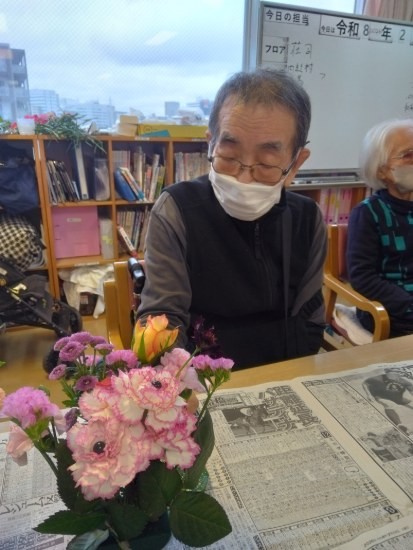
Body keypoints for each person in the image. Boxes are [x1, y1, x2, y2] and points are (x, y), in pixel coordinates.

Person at [137, 68, 327, 370]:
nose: (244, 176)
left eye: (266, 163)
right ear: (210, 144)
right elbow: (162, 318)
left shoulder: (307, 219)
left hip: (281, 372)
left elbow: (310, 318)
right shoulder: (176, 209)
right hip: (200, 375)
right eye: (228, 156)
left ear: (295, 163)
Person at [347, 119, 413, 337]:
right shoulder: (368, 213)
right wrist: (408, 305)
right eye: (408, 154)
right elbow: (363, 278)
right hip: (391, 307)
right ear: (382, 170)